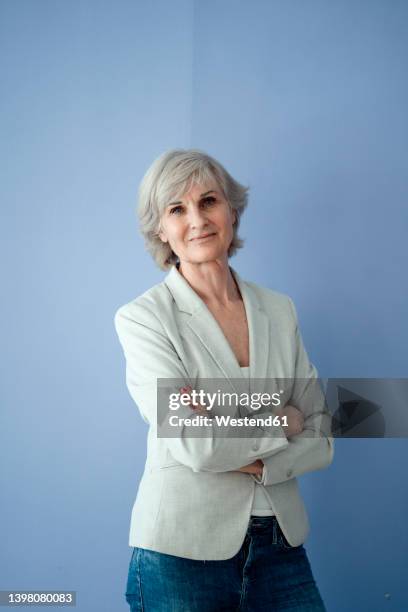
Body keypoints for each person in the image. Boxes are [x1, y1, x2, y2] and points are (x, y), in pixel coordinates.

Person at [114, 149, 334, 611]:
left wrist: (252, 453)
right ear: (161, 228)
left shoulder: (279, 309)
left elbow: (321, 432)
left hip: (280, 542)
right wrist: (282, 420)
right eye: (177, 209)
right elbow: (197, 444)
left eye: (208, 201)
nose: (197, 219)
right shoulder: (143, 319)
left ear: (231, 210)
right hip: (181, 551)